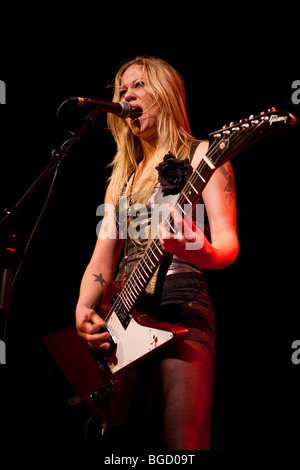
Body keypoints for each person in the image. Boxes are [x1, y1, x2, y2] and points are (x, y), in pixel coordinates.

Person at [75, 56, 239, 450]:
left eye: (138, 86)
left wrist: (196, 250)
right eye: (122, 90)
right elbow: (102, 259)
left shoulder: (205, 156)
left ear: (165, 95)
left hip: (183, 315)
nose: (127, 96)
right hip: (126, 325)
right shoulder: (124, 178)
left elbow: (228, 247)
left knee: (181, 445)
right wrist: (83, 309)